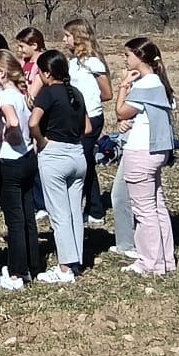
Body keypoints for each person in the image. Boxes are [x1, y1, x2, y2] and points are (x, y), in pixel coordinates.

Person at [115, 38, 177, 279]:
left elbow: (121, 111)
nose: (125, 59)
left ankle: (149, 262)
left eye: (128, 55)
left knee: (144, 211)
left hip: (141, 150)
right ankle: (165, 259)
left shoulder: (145, 85)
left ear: (140, 58)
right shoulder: (158, 83)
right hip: (157, 150)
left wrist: (123, 86)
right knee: (157, 205)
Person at [29, 51, 89, 285]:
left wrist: (42, 141)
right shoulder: (77, 93)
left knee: (59, 213)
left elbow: (33, 122)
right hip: (77, 154)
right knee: (75, 212)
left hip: (54, 155)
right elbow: (87, 127)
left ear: (46, 73)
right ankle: (75, 260)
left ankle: (64, 269)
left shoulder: (48, 93)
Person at [0, 52, 39, 289]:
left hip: (10, 161)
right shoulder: (21, 93)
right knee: (27, 215)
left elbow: (14, 122)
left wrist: (9, 135)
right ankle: (32, 264)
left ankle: (16, 272)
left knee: (14, 219)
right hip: (28, 158)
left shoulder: (6, 96)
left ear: (2, 73)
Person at [62, 19, 113, 225]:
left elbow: (107, 93)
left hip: (92, 116)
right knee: (86, 162)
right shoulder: (73, 62)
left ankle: (93, 209)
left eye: (67, 35)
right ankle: (93, 208)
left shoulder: (94, 63)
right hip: (76, 118)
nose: (64, 39)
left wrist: (88, 100)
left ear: (78, 36)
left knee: (83, 161)